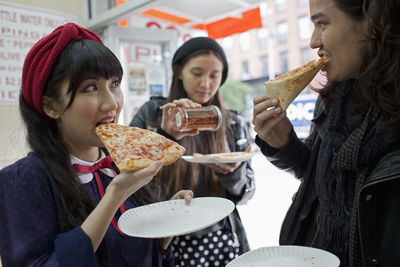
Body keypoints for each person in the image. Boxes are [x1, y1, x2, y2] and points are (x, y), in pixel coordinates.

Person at [0, 23, 193, 267]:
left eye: (114, 83)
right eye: (91, 88)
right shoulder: (22, 180)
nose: (111, 104)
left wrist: (163, 235)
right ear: (51, 106)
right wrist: (115, 195)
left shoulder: (123, 166)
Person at [252, 0, 400, 266]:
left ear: (373, 24)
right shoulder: (333, 98)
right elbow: (314, 175)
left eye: (322, 23)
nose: (312, 41)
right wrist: (283, 144)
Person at [130, 37, 255, 266]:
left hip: (221, 238)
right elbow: (130, 181)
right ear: (179, 72)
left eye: (214, 75)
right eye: (197, 73)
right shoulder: (152, 113)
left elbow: (246, 193)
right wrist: (164, 136)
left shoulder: (233, 122)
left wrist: (232, 174)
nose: (206, 83)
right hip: (168, 239)